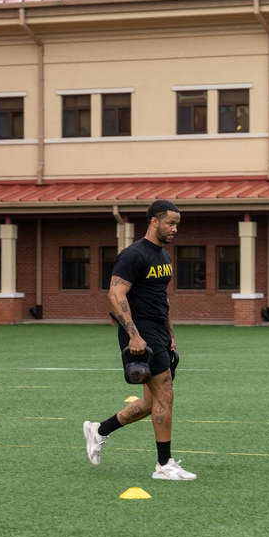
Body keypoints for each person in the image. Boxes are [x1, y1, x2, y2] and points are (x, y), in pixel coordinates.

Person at [83, 199, 196, 481]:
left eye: (177, 225)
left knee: (151, 402)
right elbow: (115, 295)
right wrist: (134, 335)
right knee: (166, 393)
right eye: (170, 223)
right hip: (140, 332)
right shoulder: (133, 255)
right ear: (154, 221)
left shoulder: (164, 257)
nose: (174, 229)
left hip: (158, 330)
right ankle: (164, 464)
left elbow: (161, 298)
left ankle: (99, 430)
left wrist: (170, 332)